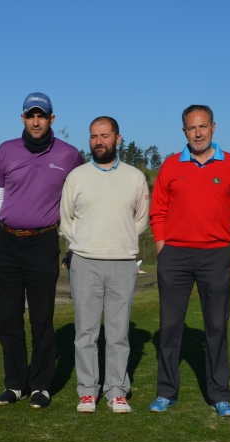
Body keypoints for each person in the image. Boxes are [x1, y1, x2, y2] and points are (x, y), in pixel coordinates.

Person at [148, 104, 230, 417]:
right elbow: (158, 210)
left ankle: (220, 395)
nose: (198, 133)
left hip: (216, 254)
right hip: (175, 256)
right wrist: (162, 248)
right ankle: (167, 392)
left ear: (213, 127)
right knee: (169, 326)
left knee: (217, 327)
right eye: (192, 128)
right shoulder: (171, 165)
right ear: (184, 132)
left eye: (203, 126)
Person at [0, 92, 83, 409]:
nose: (36, 121)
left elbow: (76, 202)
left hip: (43, 242)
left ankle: (40, 385)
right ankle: (15, 384)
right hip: (7, 241)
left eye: (42, 115)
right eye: (30, 115)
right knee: (8, 318)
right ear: (23, 118)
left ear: (52, 119)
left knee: (42, 318)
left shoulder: (69, 155)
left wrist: (73, 244)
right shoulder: (6, 151)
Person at [59, 116, 150, 414]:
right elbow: (67, 220)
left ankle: (116, 390)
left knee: (118, 332)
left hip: (123, 262)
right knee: (85, 331)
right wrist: (84, 243)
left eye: (105, 135)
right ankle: (87, 392)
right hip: (84, 262)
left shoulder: (135, 177)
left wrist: (119, 240)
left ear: (118, 139)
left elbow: (140, 219)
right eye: (94, 136)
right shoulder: (77, 177)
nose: (99, 141)